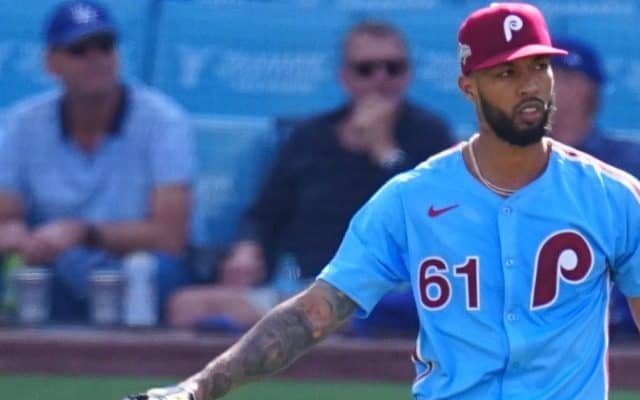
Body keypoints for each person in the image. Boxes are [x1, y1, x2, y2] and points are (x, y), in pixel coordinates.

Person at [131, 3, 640, 400]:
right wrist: (199, 387)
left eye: (539, 67)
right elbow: (316, 312)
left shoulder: (617, 197)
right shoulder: (412, 198)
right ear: (469, 86)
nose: (529, 85)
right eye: (506, 73)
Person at [166, 20, 455, 332]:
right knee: (185, 306)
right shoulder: (308, 137)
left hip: (389, 292)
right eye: (366, 69)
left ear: (408, 75)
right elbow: (264, 214)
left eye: (393, 68)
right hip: (302, 283)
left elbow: (435, 220)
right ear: (345, 78)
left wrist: (385, 152)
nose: (380, 79)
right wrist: (248, 249)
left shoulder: (431, 134)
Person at [0, 0, 194, 323]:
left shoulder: (164, 121)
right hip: (53, 263)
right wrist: (16, 234)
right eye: (79, 50)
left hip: (134, 265)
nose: (96, 59)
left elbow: (171, 237)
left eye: (104, 46)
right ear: (51, 63)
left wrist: (83, 233)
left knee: (155, 271)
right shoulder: (23, 123)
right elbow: (6, 216)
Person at [550, 36, 640, 340]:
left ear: (585, 88)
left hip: (609, 312)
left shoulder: (625, 162)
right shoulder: (509, 159)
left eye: (553, 75)